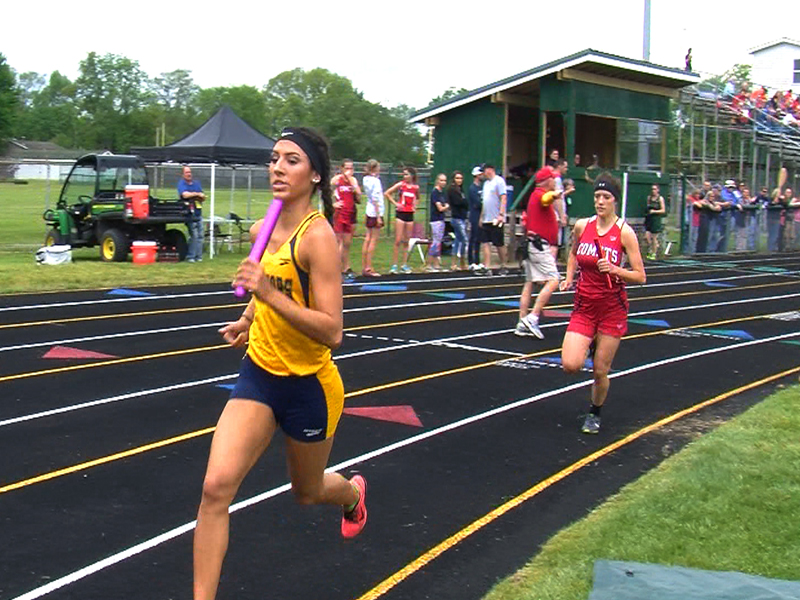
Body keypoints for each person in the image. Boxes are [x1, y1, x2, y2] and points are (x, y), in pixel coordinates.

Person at [193, 127, 367, 600]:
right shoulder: (261, 228)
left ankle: (351, 494)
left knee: (307, 492)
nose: (277, 168)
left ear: (314, 175)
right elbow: (264, 291)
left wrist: (266, 293)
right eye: (274, 159)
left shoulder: (319, 238)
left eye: (291, 160)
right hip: (260, 376)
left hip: (309, 386)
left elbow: (332, 331)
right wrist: (248, 318)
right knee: (215, 489)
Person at [560, 172, 646, 434]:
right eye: (597, 196)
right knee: (571, 365)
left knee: (599, 371)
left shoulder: (624, 232)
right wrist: (568, 277)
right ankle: (590, 341)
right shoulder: (582, 226)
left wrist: (615, 269)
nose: (600, 202)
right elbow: (574, 253)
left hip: (611, 308)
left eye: (605, 197)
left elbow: (640, 276)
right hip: (585, 305)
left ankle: (594, 412)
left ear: (614, 201)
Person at [515, 167, 561, 339]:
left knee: (529, 283)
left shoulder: (535, 195)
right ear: (547, 180)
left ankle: (521, 323)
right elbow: (546, 199)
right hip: (538, 245)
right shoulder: (539, 194)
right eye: (553, 178)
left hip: (532, 244)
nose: (555, 181)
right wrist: (556, 194)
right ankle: (533, 316)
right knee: (554, 279)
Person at [384, 167, 419, 274]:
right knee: (398, 240)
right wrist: (396, 204)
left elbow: (417, 198)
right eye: (404, 174)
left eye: (407, 174)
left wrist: (415, 206)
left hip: (410, 215)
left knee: (406, 241)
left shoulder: (415, 187)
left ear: (412, 176)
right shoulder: (401, 185)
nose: (405, 176)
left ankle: (404, 264)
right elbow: (387, 193)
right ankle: (394, 265)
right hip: (401, 214)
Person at [331, 159, 361, 281]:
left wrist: (355, 189)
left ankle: (345, 267)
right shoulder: (336, 180)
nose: (349, 171)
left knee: (347, 243)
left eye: (351, 168)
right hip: (340, 213)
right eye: (347, 168)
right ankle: (335, 269)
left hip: (350, 213)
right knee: (339, 242)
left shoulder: (353, 180)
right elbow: (326, 192)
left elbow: (359, 198)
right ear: (342, 168)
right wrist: (333, 204)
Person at [480, 163, 508, 275]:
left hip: (496, 218)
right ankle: (487, 266)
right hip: (487, 218)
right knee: (485, 242)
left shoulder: (499, 181)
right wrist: (481, 217)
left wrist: (501, 214)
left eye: (484, 170)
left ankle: (503, 265)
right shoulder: (486, 184)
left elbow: (503, 197)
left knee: (499, 243)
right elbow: (484, 201)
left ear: (490, 170)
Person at [360, 159, 384, 277]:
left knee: (367, 238)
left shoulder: (365, 179)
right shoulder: (375, 181)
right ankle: (369, 267)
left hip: (369, 210)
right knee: (373, 239)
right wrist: (379, 216)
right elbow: (375, 198)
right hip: (375, 212)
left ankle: (365, 266)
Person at [178, 166, 206, 262]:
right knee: (193, 235)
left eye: (190, 172)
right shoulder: (182, 183)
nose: (189, 174)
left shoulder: (196, 183)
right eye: (186, 172)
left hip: (198, 212)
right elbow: (185, 194)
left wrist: (196, 195)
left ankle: (198, 256)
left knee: (200, 235)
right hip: (189, 214)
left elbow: (203, 196)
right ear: (183, 174)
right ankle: (191, 256)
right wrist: (196, 194)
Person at [426, 173, 449, 271]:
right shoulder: (435, 192)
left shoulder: (442, 193)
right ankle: (428, 264)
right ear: (437, 181)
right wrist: (446, 207)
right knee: (435, 242)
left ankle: (436, 264)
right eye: (441, 180)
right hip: (435, 220)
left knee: (438, 242)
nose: (443, 182)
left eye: (444, 181)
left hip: (441, 219)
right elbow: (440, 208)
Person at [447, 171, 469, 270]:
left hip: (463, 217)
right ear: (453, 179)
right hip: (456, 218)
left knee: (458, 240)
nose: (459, 180)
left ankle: (457, 263)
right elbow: (458, 202)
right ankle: (459, 261)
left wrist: (464, 202)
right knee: (464, 239)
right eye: (457, 178)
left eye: (460, 178)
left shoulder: (461, 190)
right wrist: (464, 202)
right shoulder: (452, 190)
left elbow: (465, 203)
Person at [467, 166, 484, 270]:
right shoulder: (472, 188)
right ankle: (471, 261)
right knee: (473, 238)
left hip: (481, 215)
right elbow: (477, 203)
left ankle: (477, 260)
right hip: (475, 216)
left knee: (478, 239)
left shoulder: (481, 188)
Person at [644, 184, 666, 259]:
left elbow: (663, 210)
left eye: (655, 189)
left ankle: (653, 253)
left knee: (654, 237)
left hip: (656, 220)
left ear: (658, 190)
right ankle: (652, 247)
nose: (653, 191)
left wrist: (654, 211)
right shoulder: (649, 198)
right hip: (649, 219)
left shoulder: (660, 199)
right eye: (652, 189)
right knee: (647, 237)